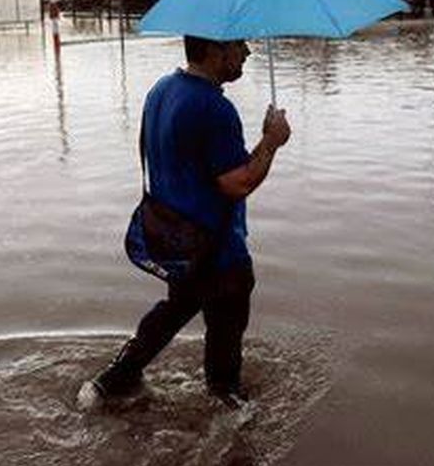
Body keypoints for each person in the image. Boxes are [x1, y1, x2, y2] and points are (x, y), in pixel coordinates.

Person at [82, 36, 291, 408]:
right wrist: (272, 143)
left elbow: (209, 166)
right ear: (213, 50)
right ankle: (226, 410)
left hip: (177, 240)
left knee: (178, 306)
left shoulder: (162, 89)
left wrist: (262, 140)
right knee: (224, 332)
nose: (247, 52)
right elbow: (237, 182)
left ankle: (111, 382)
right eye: (238, 45)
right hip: (217, 248)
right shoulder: (214, 107)